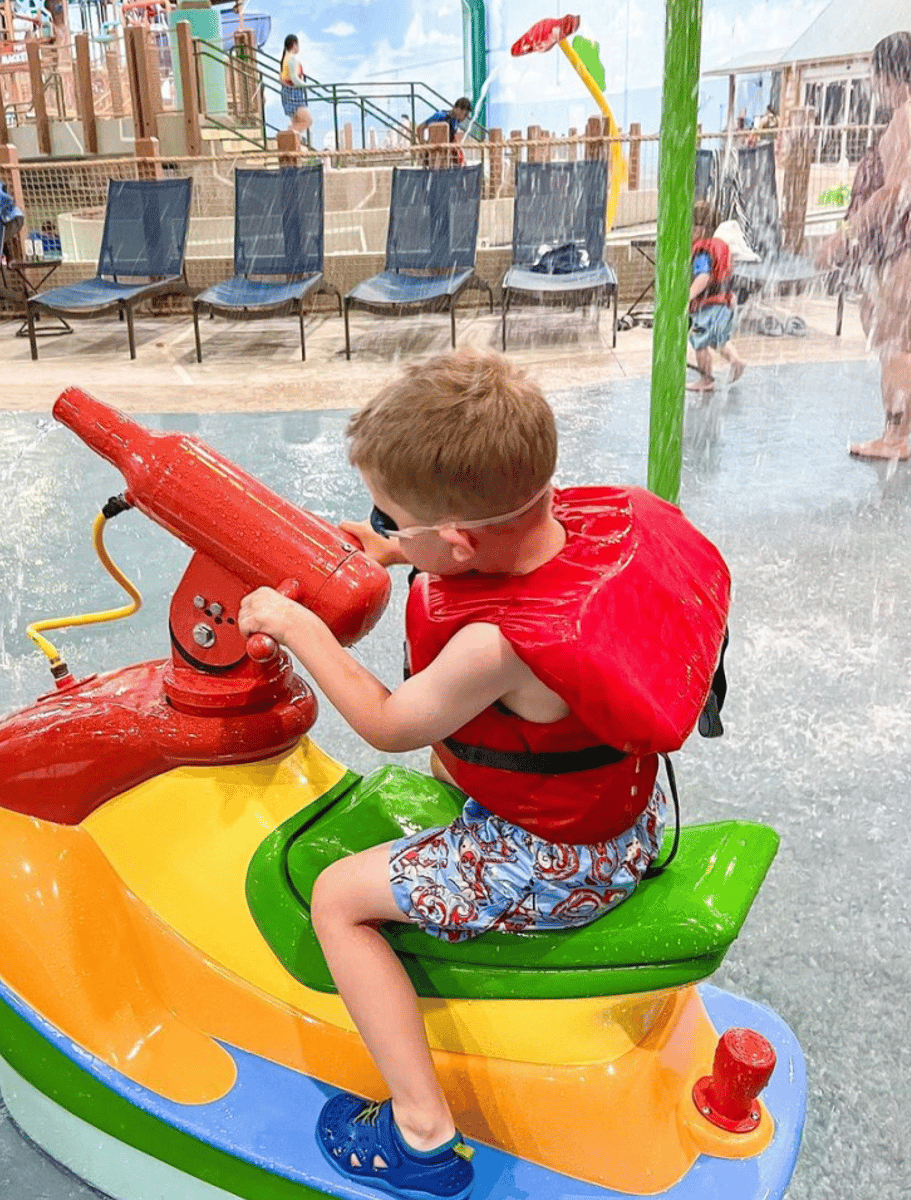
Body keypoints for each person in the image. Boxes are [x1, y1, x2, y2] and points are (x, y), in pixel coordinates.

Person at [239, 350, 730, 1200]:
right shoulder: (590, 523)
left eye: (393, 517)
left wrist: (295, 627)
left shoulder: (495, 647)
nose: (387, 530)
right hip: (629, 814)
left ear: (459, 540)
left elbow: (389, 725)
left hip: (557, 862)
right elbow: (480, 558)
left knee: (337, 900)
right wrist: (397, 545)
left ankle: (421, 1134)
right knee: (456, 759)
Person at [816, 31, 911, 460]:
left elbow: (900, 188)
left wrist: (845, 236)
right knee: (880, 317)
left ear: (887, 75)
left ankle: (895, 436)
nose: (873, 89)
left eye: (874, 78)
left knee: (895, 335)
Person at [688, 200, 745, 392]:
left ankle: (706, 379)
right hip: (725, 302)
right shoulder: (721, 246)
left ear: (700, 229)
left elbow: (703, 278)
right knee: (717, 340)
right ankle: (736, 361)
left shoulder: (702, 250)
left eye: (691, 226)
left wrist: (687, 298)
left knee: (699, 342)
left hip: (709, 304)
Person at [280, 34, 312, 139]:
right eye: (298, 44)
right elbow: (294, 79)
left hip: (289, 92)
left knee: (297, 122)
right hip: (293, 93)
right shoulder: (291, 59)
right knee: (307, 120)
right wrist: (307, 85)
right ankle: (288, 136)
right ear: (294, 45)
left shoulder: (286, 58)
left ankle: (291, 138)